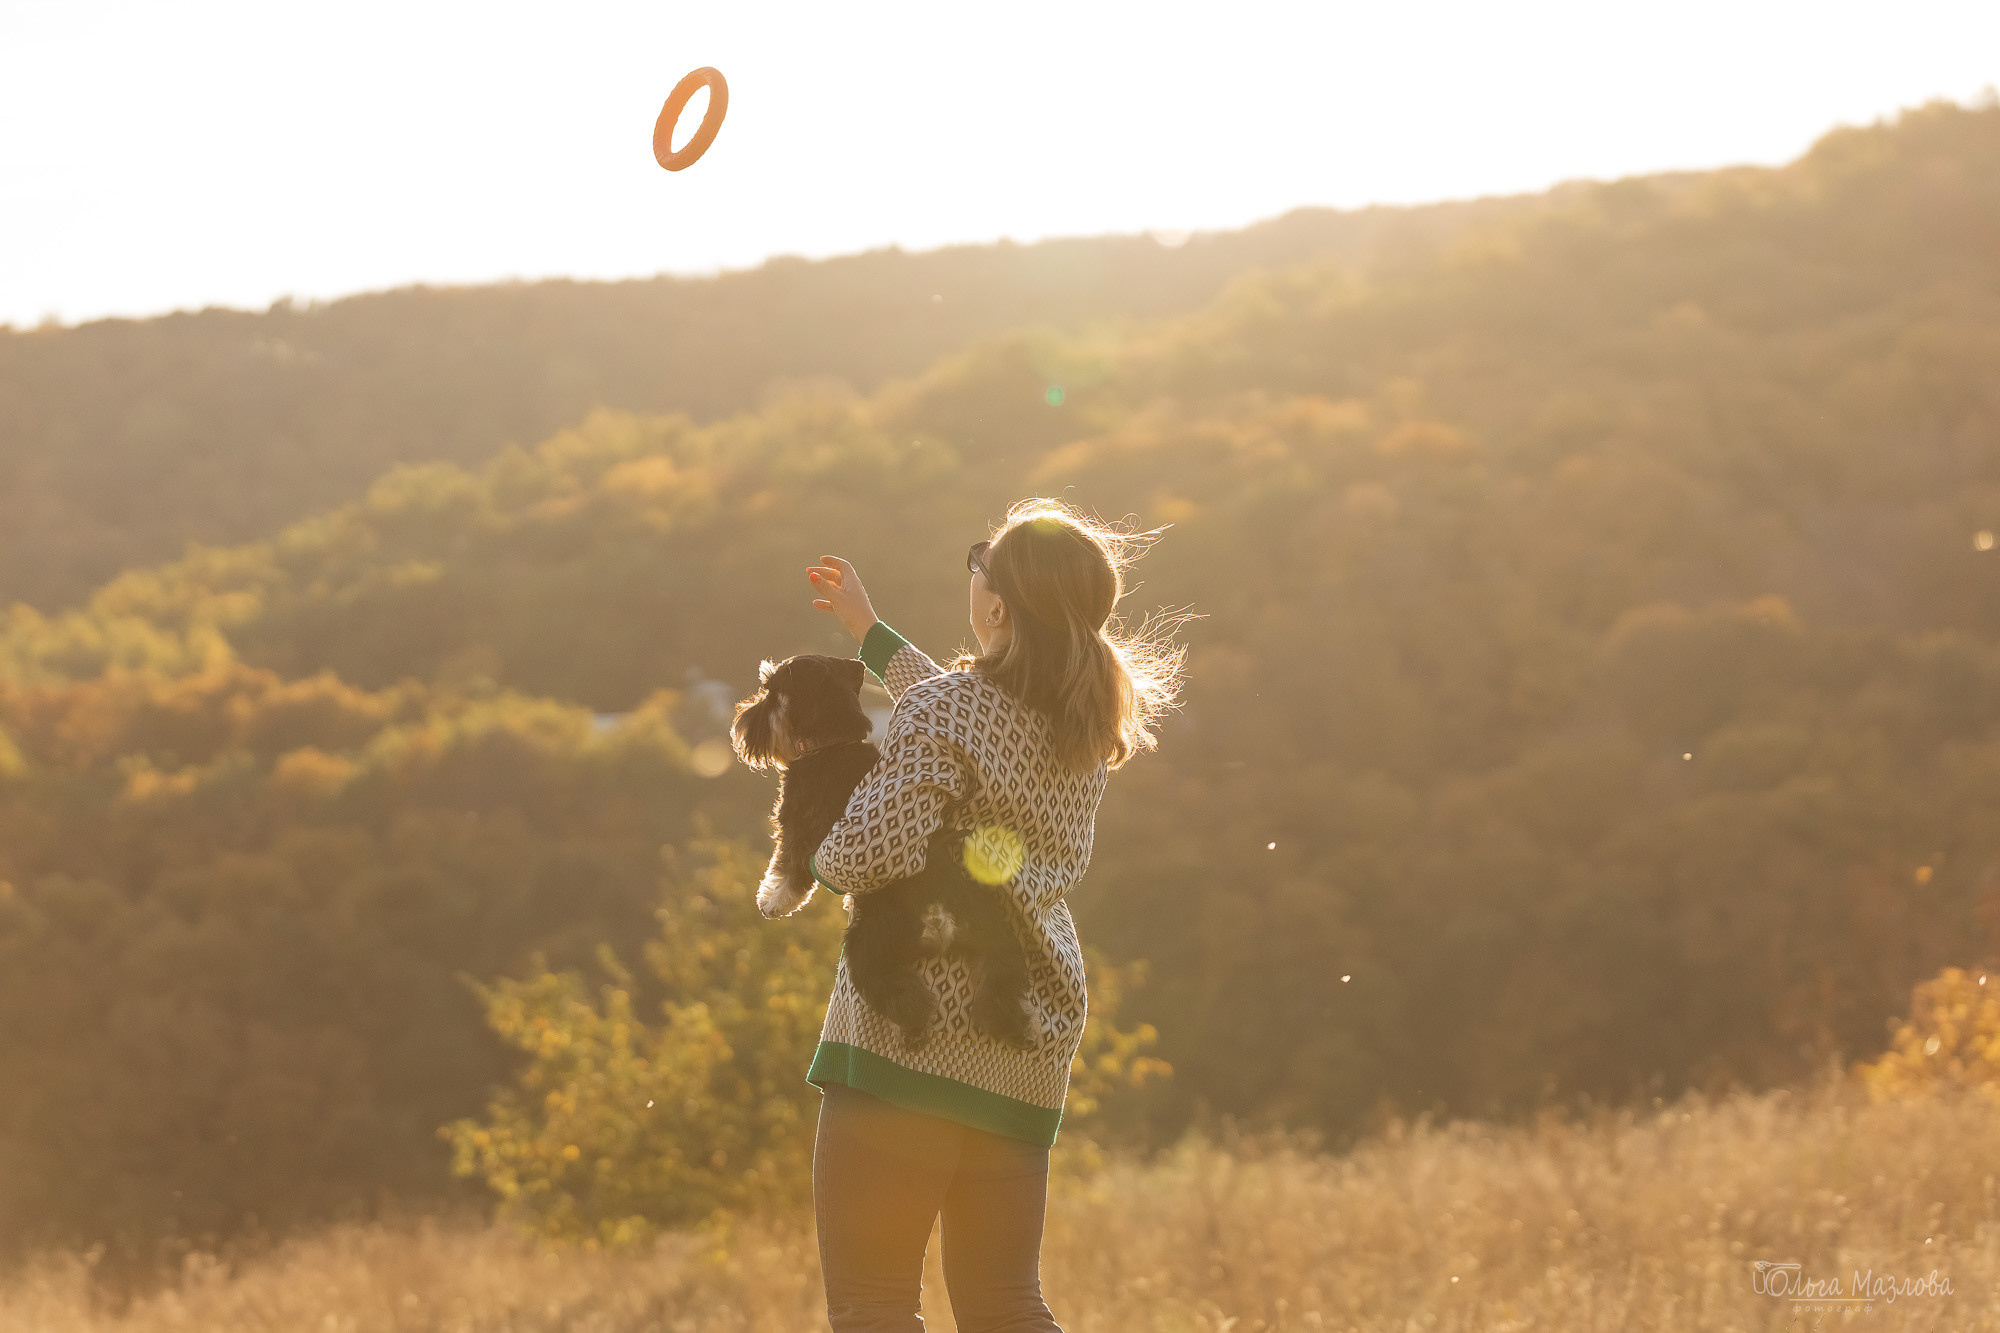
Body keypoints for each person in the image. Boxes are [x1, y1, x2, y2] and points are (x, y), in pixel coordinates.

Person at [799, 497, 1190, 1332]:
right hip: (1025, 1039)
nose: (971, 572)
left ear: (1000, 605)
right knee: (1005, 1304)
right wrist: (868, 628)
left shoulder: (955, 714)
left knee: (873, 1304)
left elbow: (863, 852)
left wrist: (817, 849)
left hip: (910, 1030)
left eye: (981, 561)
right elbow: (951, 710)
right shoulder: (1081, 725)